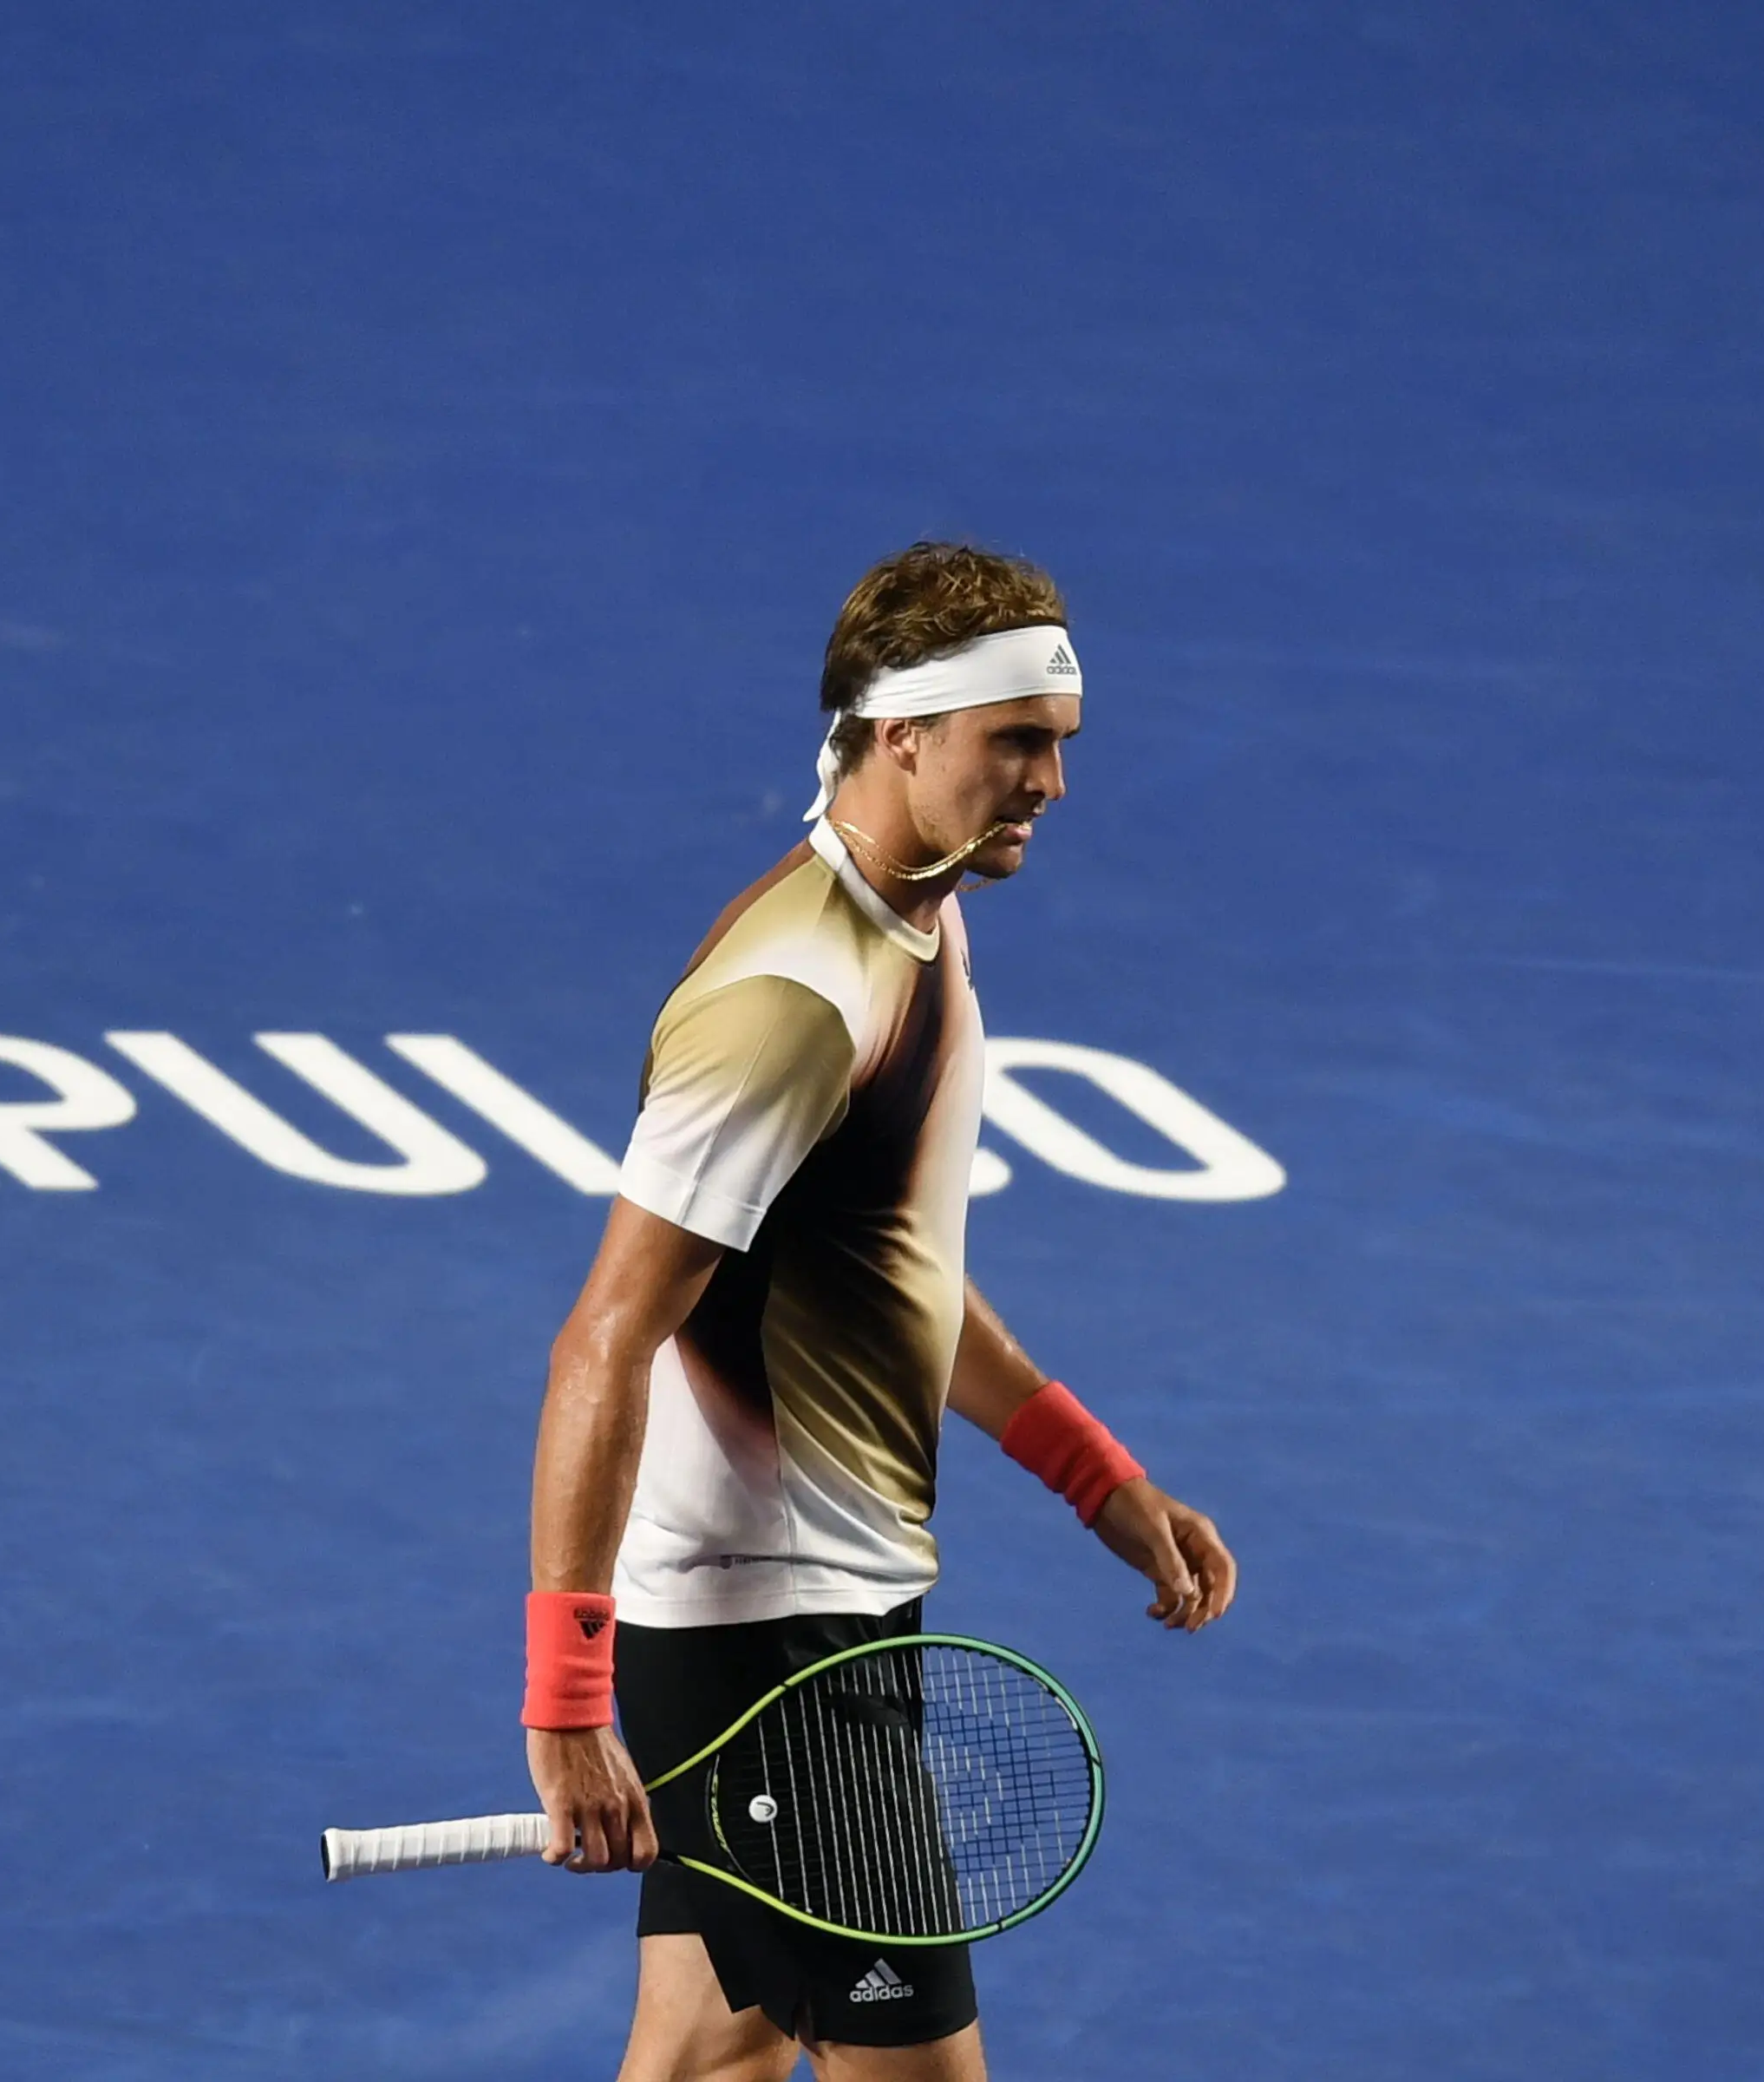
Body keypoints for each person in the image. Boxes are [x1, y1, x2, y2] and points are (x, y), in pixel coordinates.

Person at [519, 541, 1239, 2082]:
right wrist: (568, 1704)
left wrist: (1094, 1474)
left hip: (815, 1608)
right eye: (1018, 741)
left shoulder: (921, 917)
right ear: (901, 734)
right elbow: (605, 1338)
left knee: (712, 2051)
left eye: (1061, 742)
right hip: (770, 1645)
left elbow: (884, 1266)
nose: (1053, 782)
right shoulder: (794, 1002)